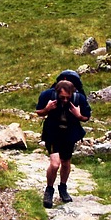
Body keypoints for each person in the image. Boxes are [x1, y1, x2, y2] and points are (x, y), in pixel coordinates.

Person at [36, 69, 91, 208]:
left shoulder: (79, 99)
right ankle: (49, 190)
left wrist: (79, 115)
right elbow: (39, 112)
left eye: (68, 97)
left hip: (70, 133)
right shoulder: (47, 95)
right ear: (57, 91)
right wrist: (47, 109)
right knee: (55, 164)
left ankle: (63, 188)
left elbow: (86, 117)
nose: (65, 100)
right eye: (62, 98)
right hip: (53, 132)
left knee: (66, 163)